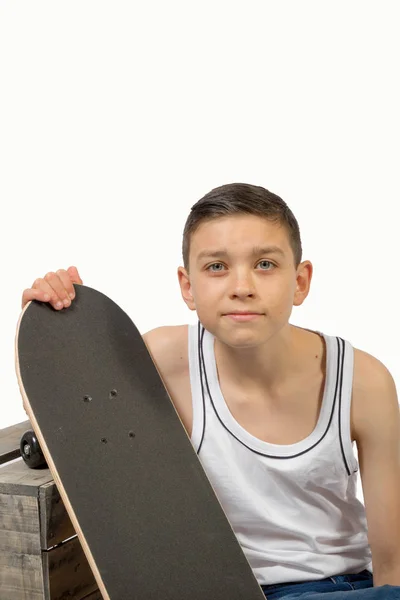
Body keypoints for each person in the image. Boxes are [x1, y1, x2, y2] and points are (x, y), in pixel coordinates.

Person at [21, 183, 400, 599]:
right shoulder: (164, 359)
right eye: (217, 267)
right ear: (187, 285)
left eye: (265, 264)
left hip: (341, 590)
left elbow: (392, 562)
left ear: (300, 281)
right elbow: (63, 415)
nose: (242, 286)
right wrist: (53, 322)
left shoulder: (361, 381)